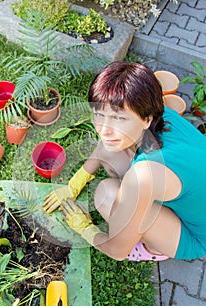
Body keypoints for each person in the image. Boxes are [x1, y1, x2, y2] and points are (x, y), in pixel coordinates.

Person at [43, 61, 206, 261]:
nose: (103, 129)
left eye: (119, 119)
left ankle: (153, 249)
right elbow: (105, 144)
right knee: (111, 145)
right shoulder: (158, 114)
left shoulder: (144, 176)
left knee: (107, 194)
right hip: (188, 196)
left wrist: (85, 228)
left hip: (194, 236)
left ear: (146, 119)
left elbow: (117, 251)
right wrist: (74, 184)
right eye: (99, 115)